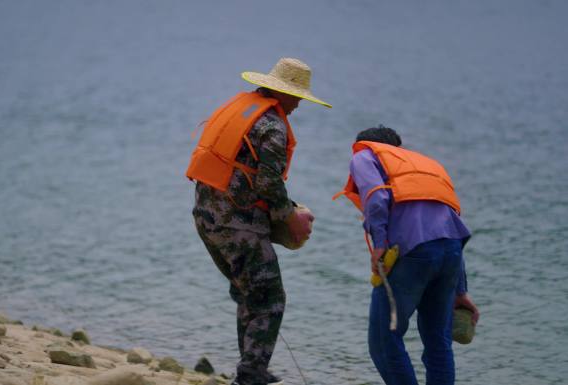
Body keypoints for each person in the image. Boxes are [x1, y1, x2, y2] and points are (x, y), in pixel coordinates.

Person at [186, 58, 331, 385]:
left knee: (249, 293)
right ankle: (251, 374)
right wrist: (290, 218)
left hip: (206, 217)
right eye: (296, 97)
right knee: (270, 299)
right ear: (281, 92)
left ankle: (251, 367)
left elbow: (241, 173)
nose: (297, 105)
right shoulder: (273, 126)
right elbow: (267, 183)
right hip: (238, 225)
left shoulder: (241, 110)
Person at [333, 126, 480, 385]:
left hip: (413, 253)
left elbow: (376, 197)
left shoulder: (364, 155)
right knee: (438, 341)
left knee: (383, 338)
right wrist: (460, 290)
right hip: (450, 253)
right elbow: (451, 225)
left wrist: (379, 244)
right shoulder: (426, 167)